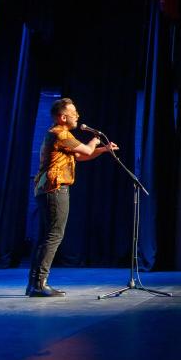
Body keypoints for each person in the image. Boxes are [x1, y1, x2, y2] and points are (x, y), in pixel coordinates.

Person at [27, 98, 118, 297]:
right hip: (54, 188)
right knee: (53, 236)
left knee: (46, 237)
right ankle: (39, 284)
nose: (77, 115)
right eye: (74, 112)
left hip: (47, 189)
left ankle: (34, 284)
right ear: (63, 117)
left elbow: (80, 156)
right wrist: (95, 138)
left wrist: (104, 150)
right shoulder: (60, 133)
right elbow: (86, 149)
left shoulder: (60, 134)